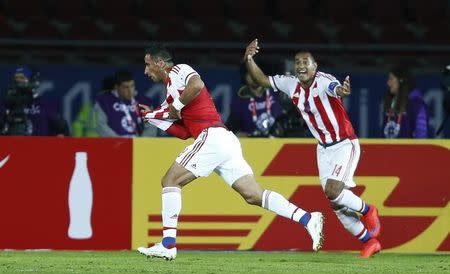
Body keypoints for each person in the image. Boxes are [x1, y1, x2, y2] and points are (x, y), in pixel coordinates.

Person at [136, 43, 325, 260]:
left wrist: (175, 107)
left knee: (170, 180)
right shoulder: (171, 92)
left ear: (161, 63)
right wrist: (153, 117)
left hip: (213, 138)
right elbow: (184, 132)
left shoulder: (179, 70)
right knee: (253, 195)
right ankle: (307, 219)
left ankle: (168, 245)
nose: (146, 70)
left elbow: (196, 85)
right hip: (224, 141)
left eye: (148, 65)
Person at [244, 39, 381, 258]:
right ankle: (369, 241)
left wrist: (342, 90)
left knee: (333, 191)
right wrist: (249, 58)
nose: (301, 66)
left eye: (305, 62)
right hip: (323, 149)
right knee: (335, 203)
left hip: (345, 144)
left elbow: (335, 89)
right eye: (297, 62)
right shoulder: (291, 84)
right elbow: (261, 79)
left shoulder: (324, 80)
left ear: (315, 66)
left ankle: (368, 209)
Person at [0, 66, 69, 136]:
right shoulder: (7, 105)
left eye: (22, 78)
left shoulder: (44, 106)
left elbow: (62, 129)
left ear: (32, 80)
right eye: (16, 78)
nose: (18, 81)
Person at [226, 62, 284, 137]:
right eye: (250, 73)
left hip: (280, 142)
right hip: (253, 146)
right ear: (244, 77)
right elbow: (231, 128)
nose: (254, 76)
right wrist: (237, 133)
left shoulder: (277, 92)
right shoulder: (239, 102)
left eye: (256, 73)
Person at [93, 70, 157, 137]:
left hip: (139, 145)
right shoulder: (104, 102)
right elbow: (101, 125)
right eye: (126, 87)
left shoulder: (144, 102)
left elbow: (151, 126)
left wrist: (141, 143)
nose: (130, 91)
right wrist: (119, 143)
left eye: (132, 86)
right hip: (114, 145)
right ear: (116, 87)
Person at [382, 67, 429, 138]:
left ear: (401, 81)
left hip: (409, 149)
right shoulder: (391, 102)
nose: (388, 83)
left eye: (391, 79)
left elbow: (421, 136)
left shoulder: (417, 104)